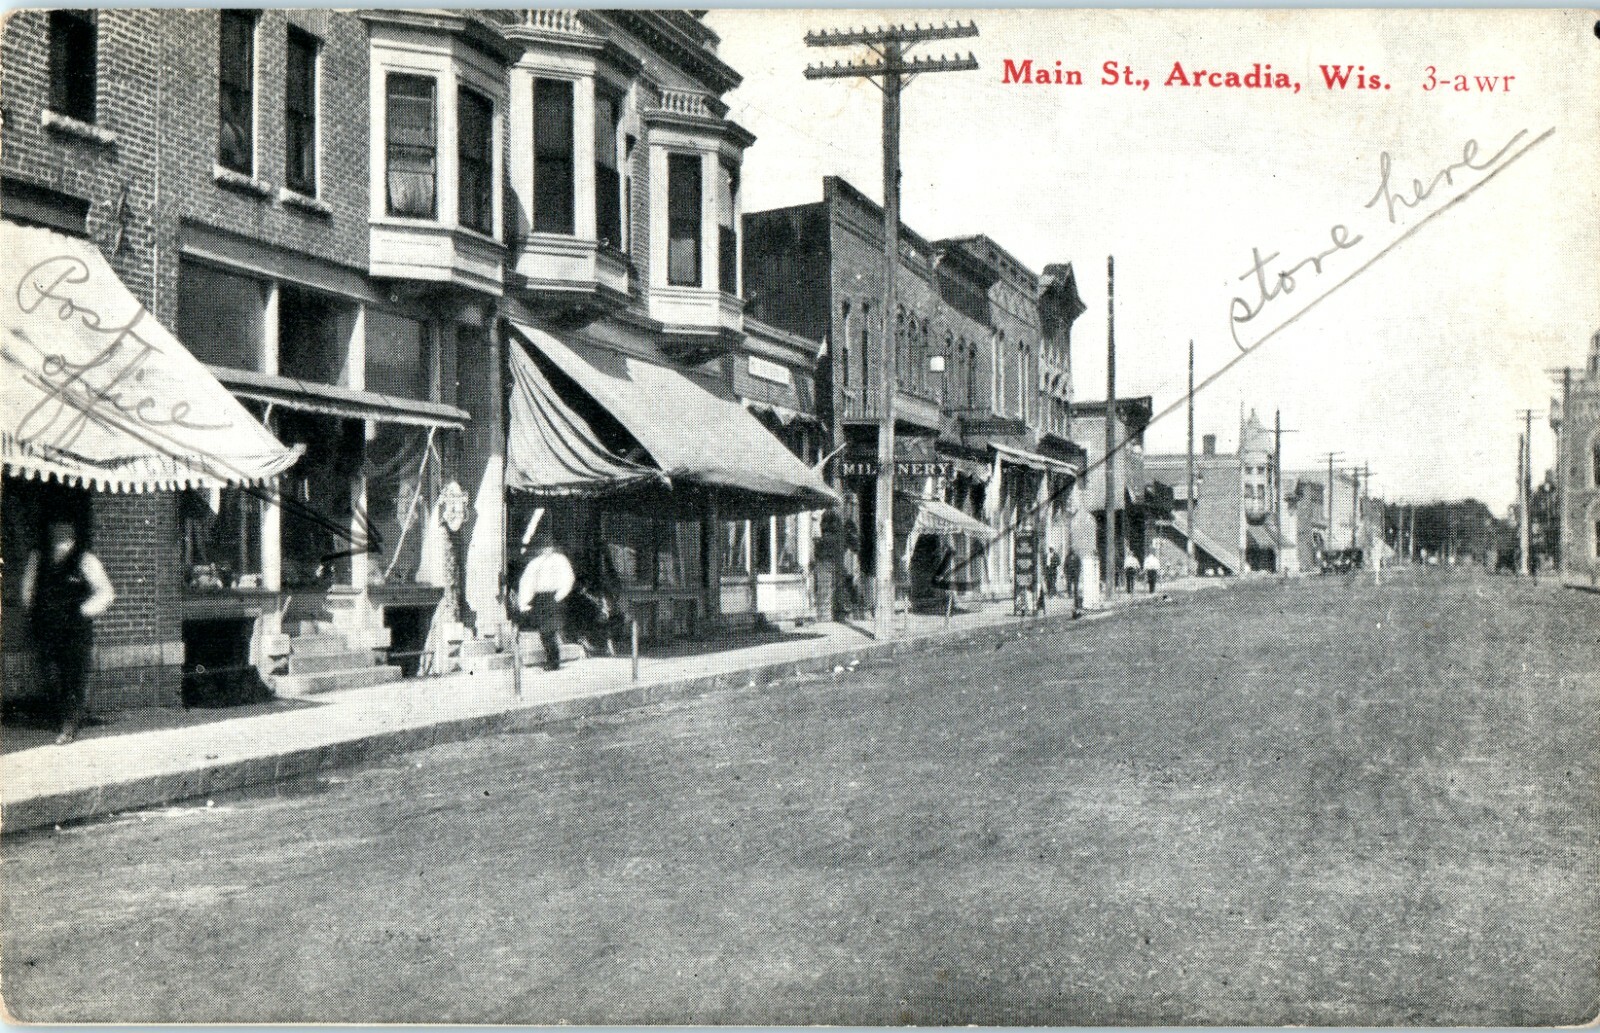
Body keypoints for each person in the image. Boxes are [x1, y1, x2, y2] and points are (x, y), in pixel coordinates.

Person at [21, 518, 115, 744]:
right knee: (50, 672)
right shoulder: (39, 557)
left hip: (74, 630)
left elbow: (105, 592)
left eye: (64, 528)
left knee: (73, 675)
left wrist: (83, 610)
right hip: (47, 626)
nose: (59, 532)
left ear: (71, 531)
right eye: (55, 528)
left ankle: (70, 724)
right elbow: (28, 589)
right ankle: (64, 716)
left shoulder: (84, 558)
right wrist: (35, 611)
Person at [516, 538, 575, 671]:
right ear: (539, 549)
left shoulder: (560, 560)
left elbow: (568, 578)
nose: (546, 549)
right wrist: (524, 602)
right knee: (544, 632)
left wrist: (559, 596)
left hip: (554, 597)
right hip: (540, 599)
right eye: (543, 547)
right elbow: (527, 582)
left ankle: (553, 661)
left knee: (550, 630)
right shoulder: (535, 563)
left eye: (549, 546)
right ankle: (552, 659)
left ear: (553, 547)